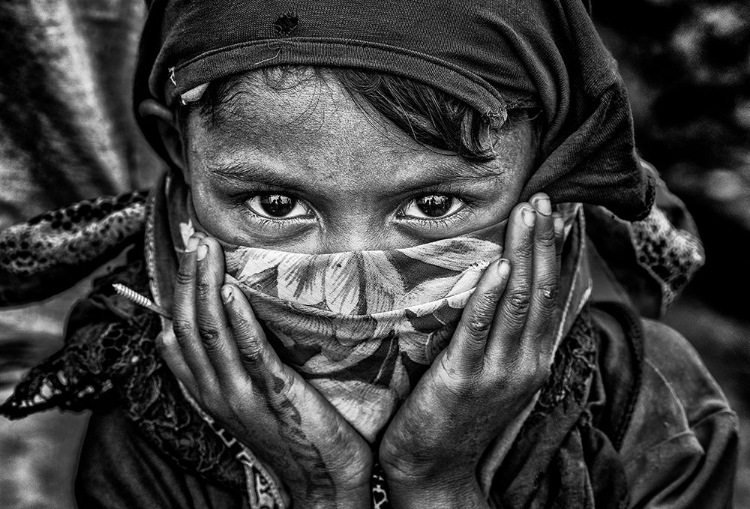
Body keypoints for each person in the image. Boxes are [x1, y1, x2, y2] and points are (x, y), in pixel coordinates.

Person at [0, 0, 739, 507]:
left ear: (547, 177)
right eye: (279, 204)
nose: (357, 290)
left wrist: (438, 484)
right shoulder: (153, 434)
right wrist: (325, 492)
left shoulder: (653, 409)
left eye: (433, 205)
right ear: (183, 166)